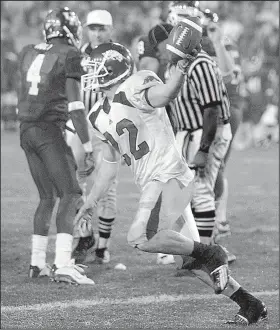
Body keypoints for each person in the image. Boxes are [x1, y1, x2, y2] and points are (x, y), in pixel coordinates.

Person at [76, 42, 267, 326]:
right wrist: (90, 203)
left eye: (95, 67)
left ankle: (212, 251)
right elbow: (108, 166)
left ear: (110, 68)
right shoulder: (96, 115)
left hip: (168, 175)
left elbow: (164, 95)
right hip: (152, 183)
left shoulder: (135, 83)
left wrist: (178, 71)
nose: (90, 74)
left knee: (140, 237)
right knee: (187, 261)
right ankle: (250, 304)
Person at [17, 7, 95, 285]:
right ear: (72, 30)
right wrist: (87, 144)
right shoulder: (70, 54)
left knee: (47, 197)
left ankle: (37, 264)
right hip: (48, 130)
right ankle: (63, 264)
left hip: (25, 130)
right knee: (71, 192)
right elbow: (75, 104)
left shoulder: (27, 51)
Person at [66, 9, 117, 264]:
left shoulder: (119, 56)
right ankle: (85, 236)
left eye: (101, 28)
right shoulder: (77, 54)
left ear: (111, 29)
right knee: (77, 184)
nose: (96, 33)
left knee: (107, 187)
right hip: (81, 125)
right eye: (92, 28)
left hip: (107, 126)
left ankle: (102, 247)